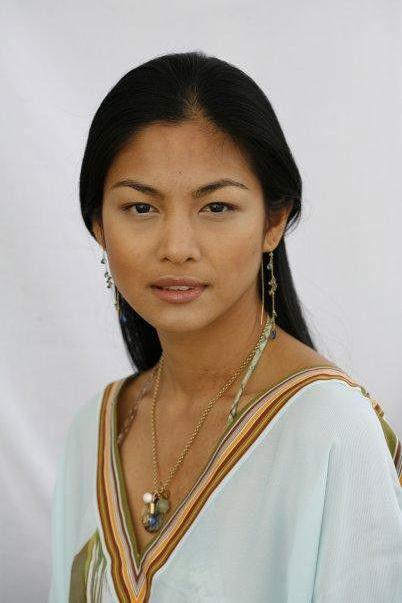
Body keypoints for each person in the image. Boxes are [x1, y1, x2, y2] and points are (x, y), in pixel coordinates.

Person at [48, 51, 402, 602]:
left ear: (274, 220)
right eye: (140, 208)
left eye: (216, 207)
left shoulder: (334, 431)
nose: (177, 248)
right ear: (98, 224)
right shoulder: (93, 431)